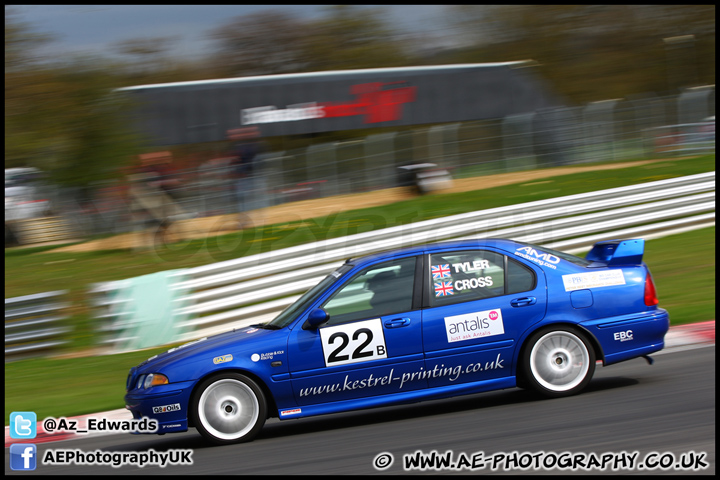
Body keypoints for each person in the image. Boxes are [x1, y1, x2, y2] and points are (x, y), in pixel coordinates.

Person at [227, 126, 268, 229]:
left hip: (250, 177)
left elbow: (252, 162)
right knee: (244, 201)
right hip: (245, 178)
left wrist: (240, 170)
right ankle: (246, 222)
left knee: (248, 201)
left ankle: (251, 222)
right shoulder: (240, 145)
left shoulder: (251, 145)